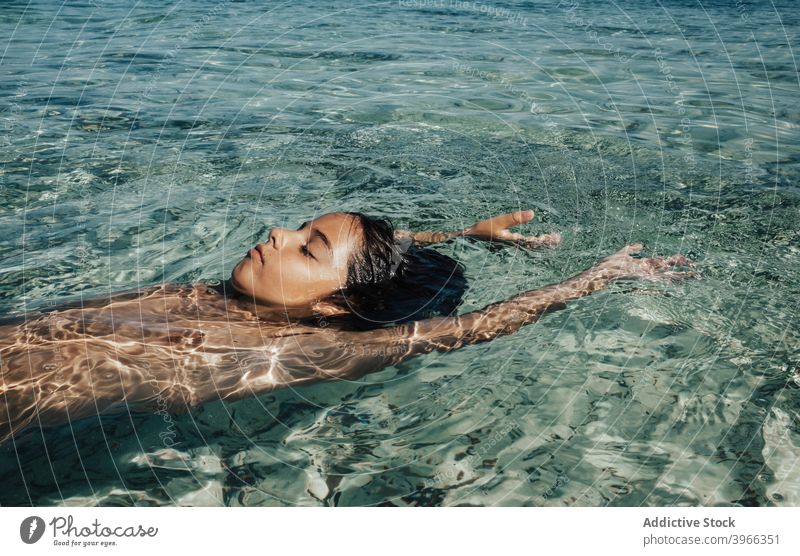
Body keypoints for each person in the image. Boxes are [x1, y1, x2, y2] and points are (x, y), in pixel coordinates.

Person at [0, 210, 696, 445]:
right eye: (299, 229)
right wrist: (466, 233)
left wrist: (596, 277)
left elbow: (470, 328)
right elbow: (367, 267)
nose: (276, 231)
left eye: (304, 246)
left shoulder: (308, 345)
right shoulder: (226, 296)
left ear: (334, 306)